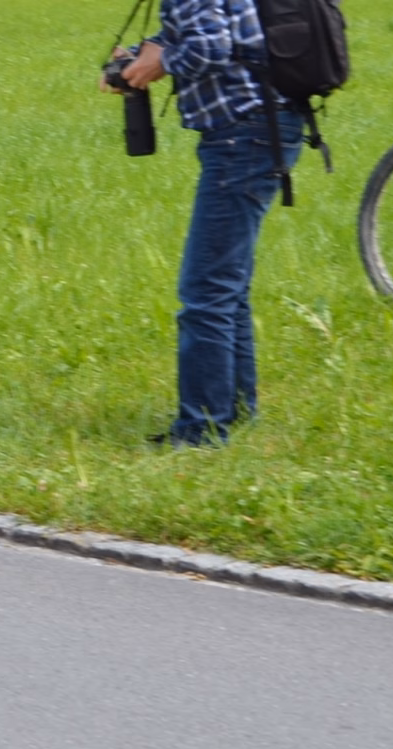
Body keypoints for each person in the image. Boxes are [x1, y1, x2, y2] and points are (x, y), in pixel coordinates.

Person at [104, 0, 304, 446]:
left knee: (206, 290)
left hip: (243, 135)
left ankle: (201, 433)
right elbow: (220, 33)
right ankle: (231, 413)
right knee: (227, 288)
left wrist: (162, 61)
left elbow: (211, 46)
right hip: (260, 129)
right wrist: (141, 55)